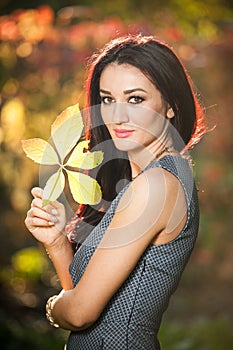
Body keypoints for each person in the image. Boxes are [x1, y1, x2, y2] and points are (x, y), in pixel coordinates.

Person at [25, 34, 206, 349]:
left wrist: (54, 309)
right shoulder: (147, 180)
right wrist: (56, 243)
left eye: (135, 99)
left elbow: (80, 313)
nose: (117, 116)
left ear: (171, 106)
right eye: (108, 99)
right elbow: (83, 290)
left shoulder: (156, 185)